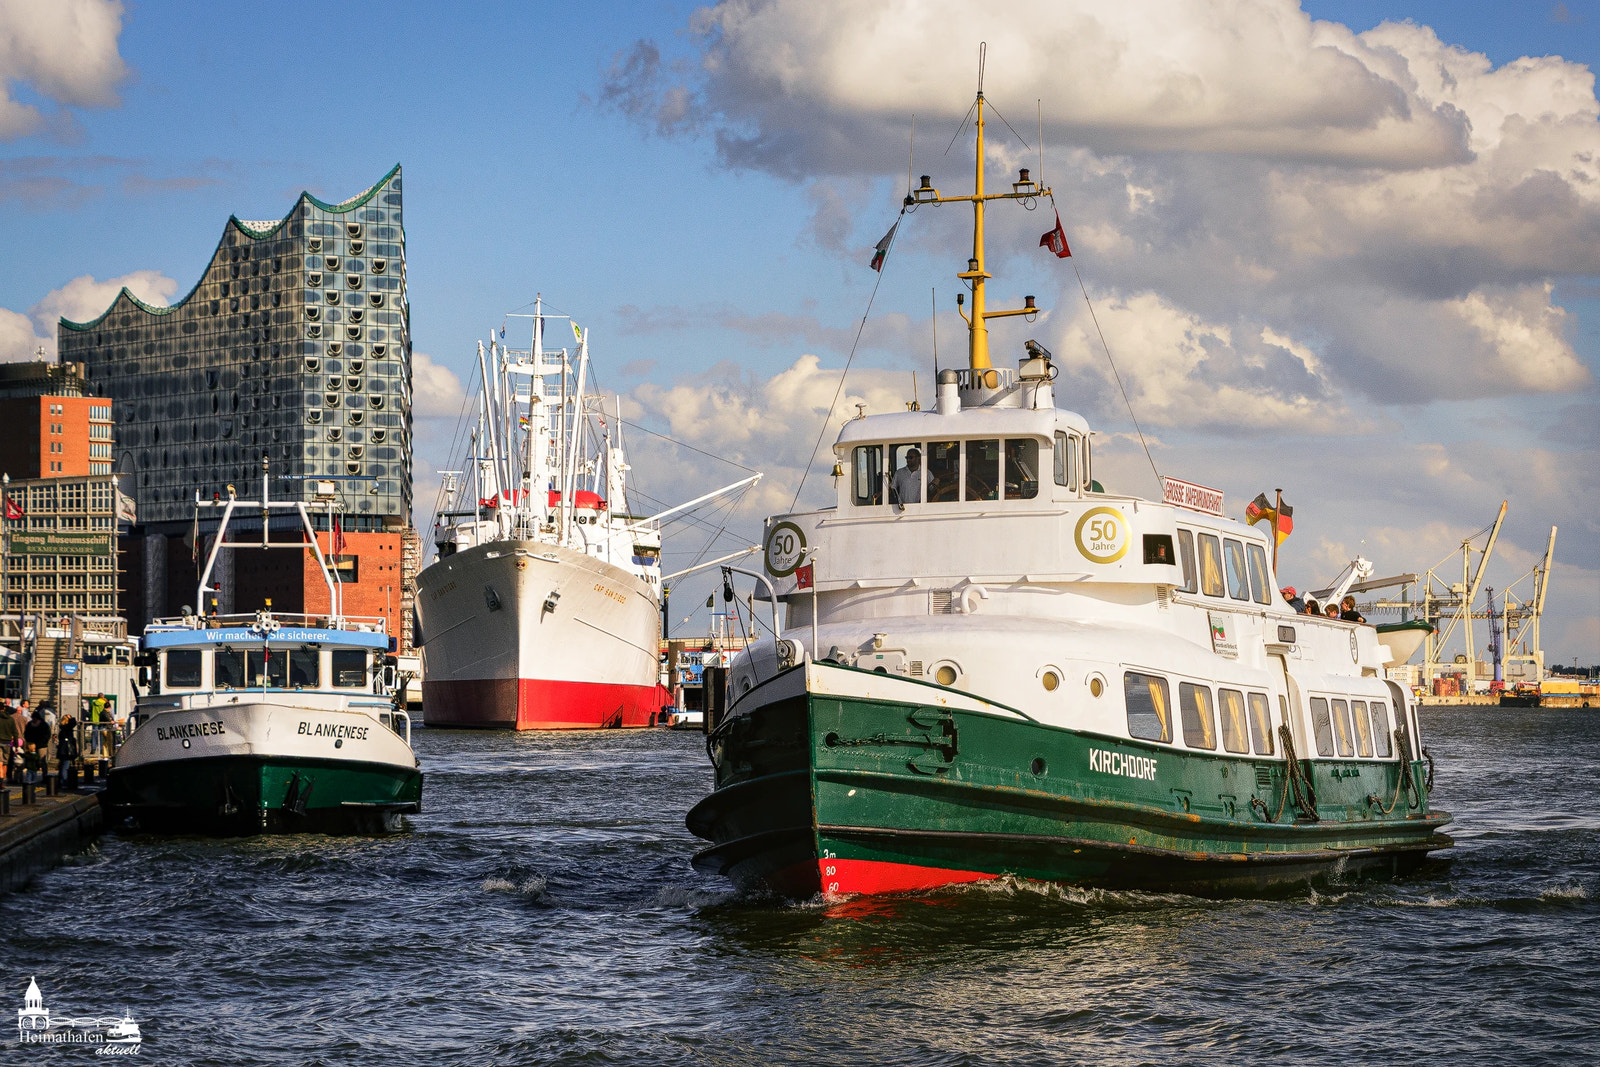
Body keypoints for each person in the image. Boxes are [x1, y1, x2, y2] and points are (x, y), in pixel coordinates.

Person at [55, 714, 78, 790]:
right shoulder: (67, 728)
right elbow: (73, 722)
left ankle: (60, 781)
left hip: (62, 750)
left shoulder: (62, 728)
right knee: (65, 766)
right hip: (66, 750)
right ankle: (63, 781)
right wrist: (71, 718)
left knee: (62, 765)